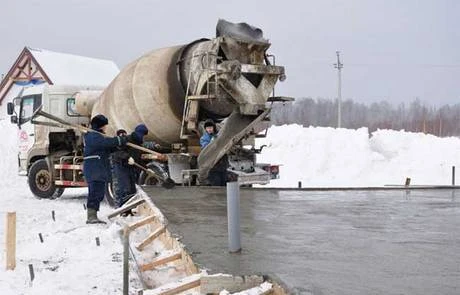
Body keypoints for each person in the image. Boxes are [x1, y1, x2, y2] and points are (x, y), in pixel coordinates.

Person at [83, 114, 127, 224]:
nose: (106, 128)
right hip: (94, 169)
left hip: (98, 169)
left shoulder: (97, 136)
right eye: (105, 125)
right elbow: (106, 143)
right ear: (100, 126)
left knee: (99, 193)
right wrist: (119, 140)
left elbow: (107, 148)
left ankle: (93, 215)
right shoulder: (93, 136)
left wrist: (118, 145)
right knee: (95, 192)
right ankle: (91, 216)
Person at [112, 124, 149, 207]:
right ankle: (123, 209)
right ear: (138, 133)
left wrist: (147, 169)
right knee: (125, 188)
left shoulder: (139, 144)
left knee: (132, 190)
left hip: (131, 168)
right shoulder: (126, 139)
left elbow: (138, 159)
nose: (143, 137)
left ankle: (129, 209)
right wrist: (127, 157)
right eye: (142, 135)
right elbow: (117, 152)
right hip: (121, 166)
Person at [200, 119, 228, 186]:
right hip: (212, 167)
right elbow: (206, 148)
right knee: (216, 185)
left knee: (224, 184)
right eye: (207, 128)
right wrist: (212, 142)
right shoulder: (204, 138)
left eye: (211, 127)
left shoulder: (218, 136)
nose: (209, 129)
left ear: (214, 128)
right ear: (205, 129)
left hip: (222, 166)